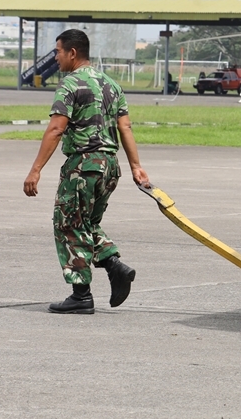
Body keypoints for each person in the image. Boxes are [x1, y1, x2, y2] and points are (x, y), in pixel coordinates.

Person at [23, 29, 148, 314]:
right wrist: (137, 167)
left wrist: (35, 170)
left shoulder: (70, 84)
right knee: (85, 223)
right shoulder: (111, 84)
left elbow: (56, 128)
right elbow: (125, 127)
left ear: (72, 53)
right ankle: (114, 265)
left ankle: (81, 295)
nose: (56, 58)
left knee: (67, 224)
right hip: (109, 166)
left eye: (58, 52)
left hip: (83, 165)